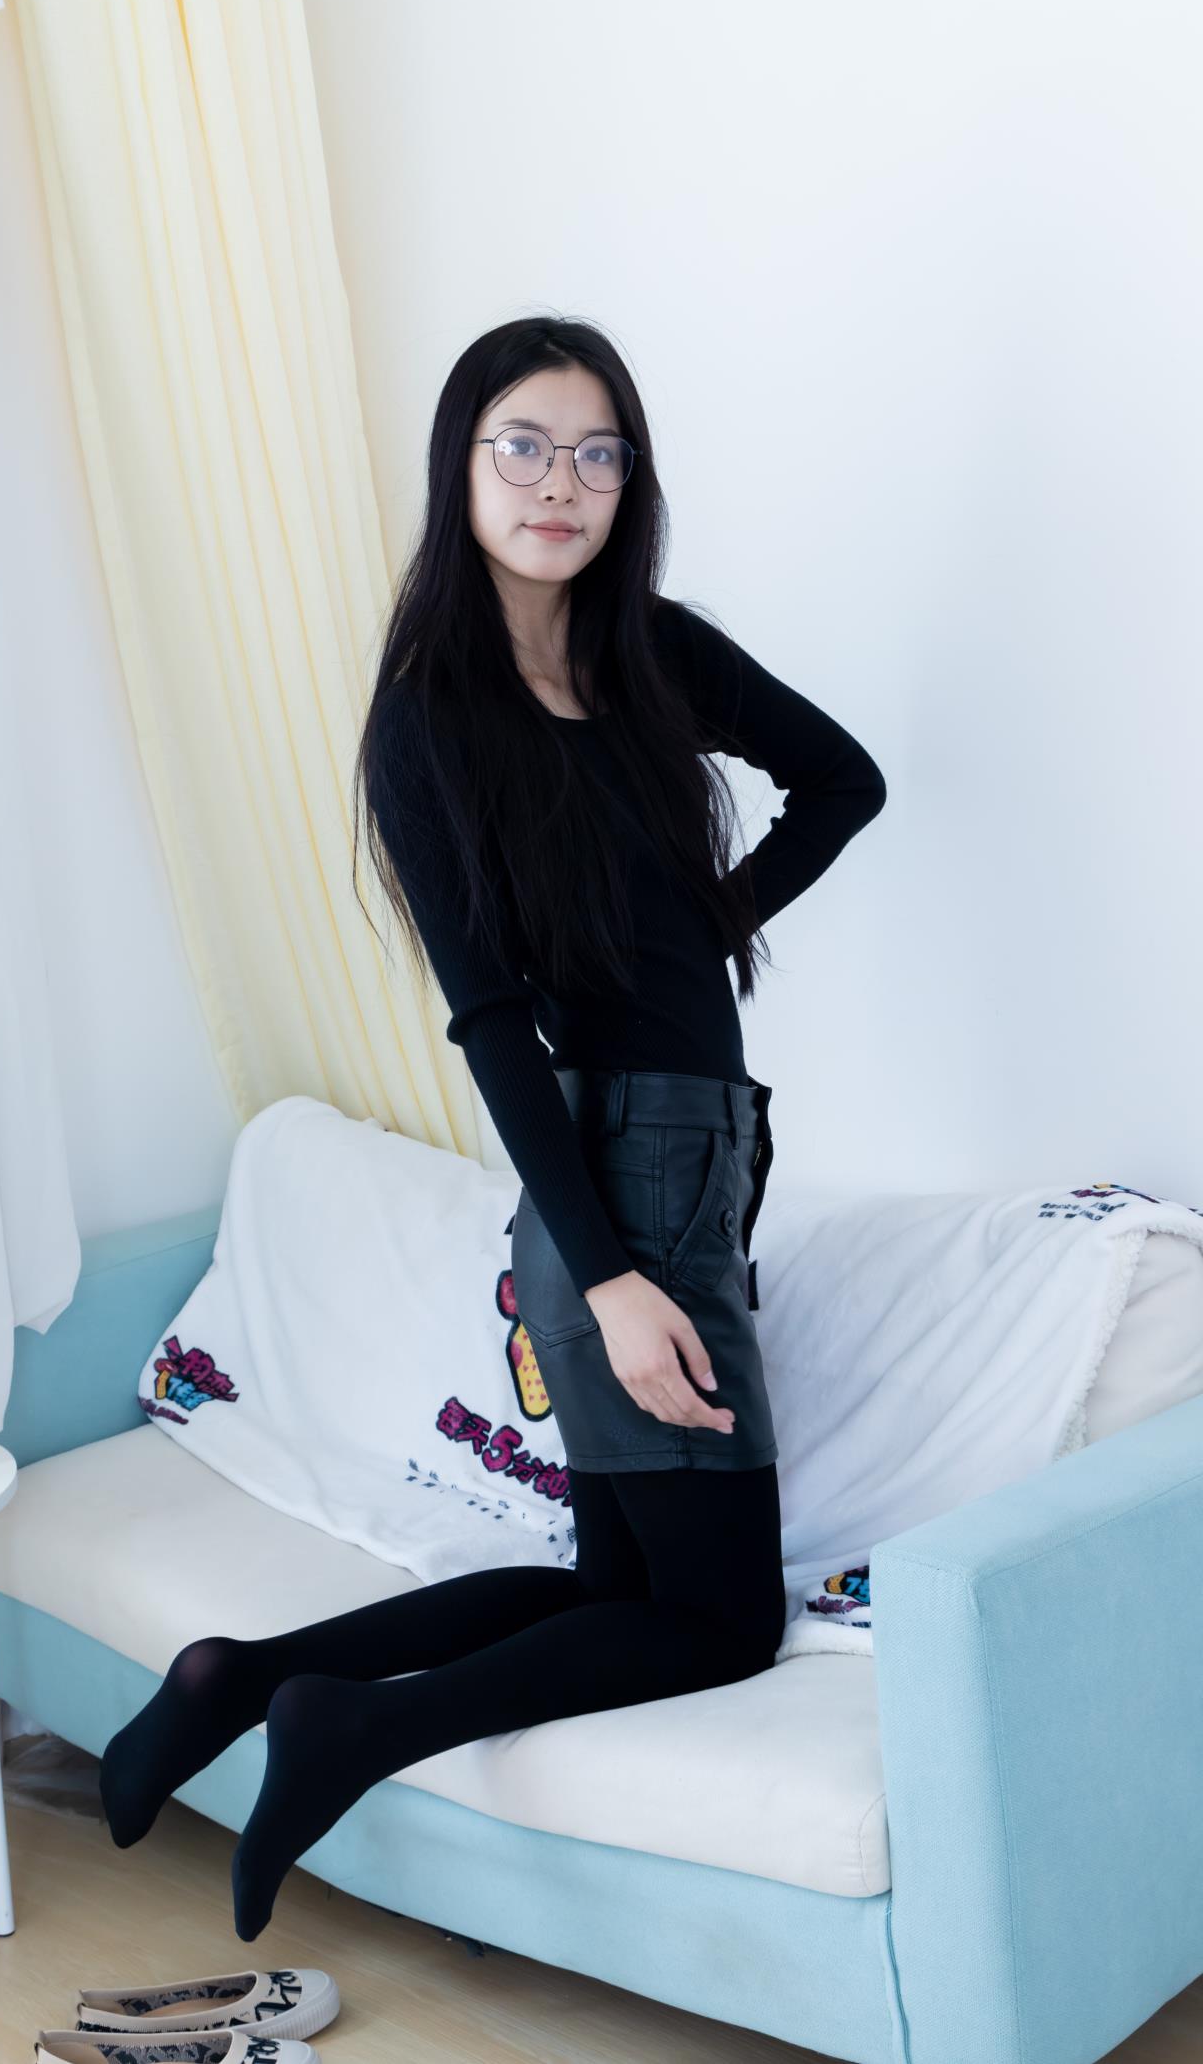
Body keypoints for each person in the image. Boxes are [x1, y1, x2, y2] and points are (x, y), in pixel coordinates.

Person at [99, 314, 887, 1941]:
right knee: (719, 1620)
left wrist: (703, 926)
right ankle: (349, 1727)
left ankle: (243, 1676)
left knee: (616, 1589)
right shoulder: (428, 724)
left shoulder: (653, 653)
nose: (560, 483)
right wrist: (610, 1276)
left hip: (664, 1156)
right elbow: (487, 1022)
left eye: (597, 453)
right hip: (620, 1181)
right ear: (461, 465)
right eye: (522, 445)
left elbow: (842, 778)